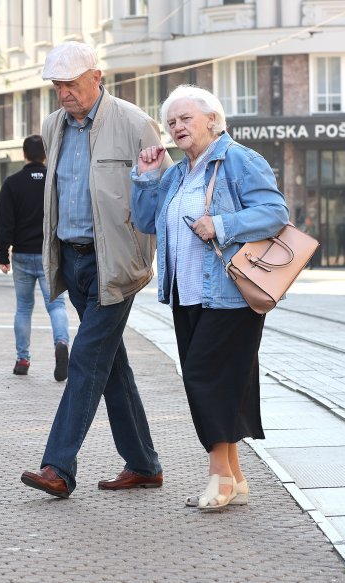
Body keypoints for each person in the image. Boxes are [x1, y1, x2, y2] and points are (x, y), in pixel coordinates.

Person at [20, 41, 168, 499]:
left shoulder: (134, 123)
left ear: (96, 77)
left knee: (85, 359)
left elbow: (157, 195)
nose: (64, 93)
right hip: (74, 260)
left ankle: (58, 467)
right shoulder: (52, 126)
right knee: (110, 363)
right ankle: (144, 463)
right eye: (57, 85)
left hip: (116, 264)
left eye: (71, 83)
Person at [131, 85, 289, 510]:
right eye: (171, 122)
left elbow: (275, 213)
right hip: (187, 294)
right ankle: (235, 478)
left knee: (205, 380)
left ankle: (219, 478)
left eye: (186, 118)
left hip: (230, 295)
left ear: (213, 120)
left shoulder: (240, 160)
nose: (178, 126)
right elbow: (146, 222)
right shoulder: (178, 173)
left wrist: (220, 224)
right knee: (223, 385)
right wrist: (147, 177)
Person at [0, 135, 70, 380]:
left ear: (24, 155)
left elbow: (4, 222)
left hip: (22, 255)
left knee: (24, 308)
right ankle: (61, 343)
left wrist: (2, 254)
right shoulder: (55, 180)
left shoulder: (12, 183)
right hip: (50, 254)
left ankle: (23, 359)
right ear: (45, 155)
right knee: (57, 305)